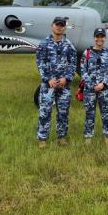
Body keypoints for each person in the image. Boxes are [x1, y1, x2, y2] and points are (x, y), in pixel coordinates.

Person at [35, 16, 77, 148]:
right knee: (45, 111)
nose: (59, 27)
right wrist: (48, 79)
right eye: (57, 24)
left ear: (65, 28)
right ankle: (42, 139)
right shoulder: (44, 44)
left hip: (64, 85)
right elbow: (40, 63)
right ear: (52, 26)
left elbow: (73, 63)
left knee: (63, 112)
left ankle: (62, 137)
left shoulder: (69, 45)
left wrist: (67, 78)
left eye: (62, 25)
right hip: (48, 85)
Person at [81, 27, 108, 144]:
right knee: (89, 113)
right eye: (97, 36)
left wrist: (104, 83)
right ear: (94, 38)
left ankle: (107, 136)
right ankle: (88, 137)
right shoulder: (87, 53)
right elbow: (83, 71)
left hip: (104, 89)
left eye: (102, 36)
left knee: (106, 114)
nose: (99, 39)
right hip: (90, 90)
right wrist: (92, 85)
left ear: (105, 38)